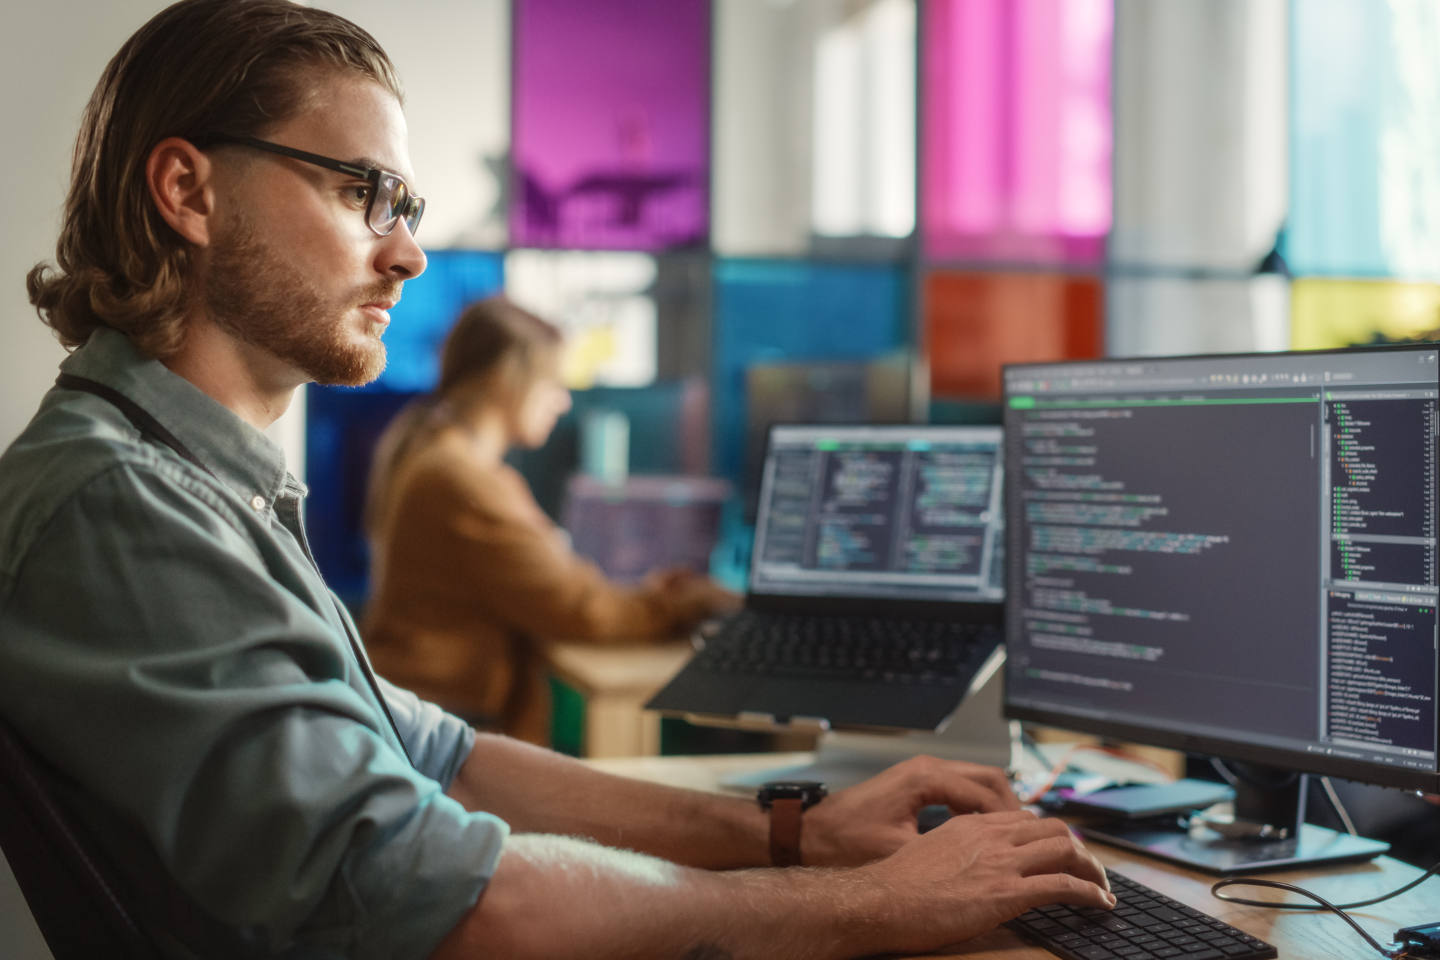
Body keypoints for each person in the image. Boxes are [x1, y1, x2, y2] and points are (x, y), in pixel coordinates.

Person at [0, 1, 1114, 958]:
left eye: (409, 210)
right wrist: (868, 902)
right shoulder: (116, 502)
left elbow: (449, 761)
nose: (408, 252)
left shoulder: (194, 484)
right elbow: (449, 902)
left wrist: (796, 833)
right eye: (362, 193)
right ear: (188, 192)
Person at [362, 297, 738, 744]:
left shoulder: (421, 439)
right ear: (504, 379)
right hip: (444, 723)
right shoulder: (462, 479)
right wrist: (685, 604)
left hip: (413, 706)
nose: (562, 402)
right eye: (552, 383)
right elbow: (577, 610)